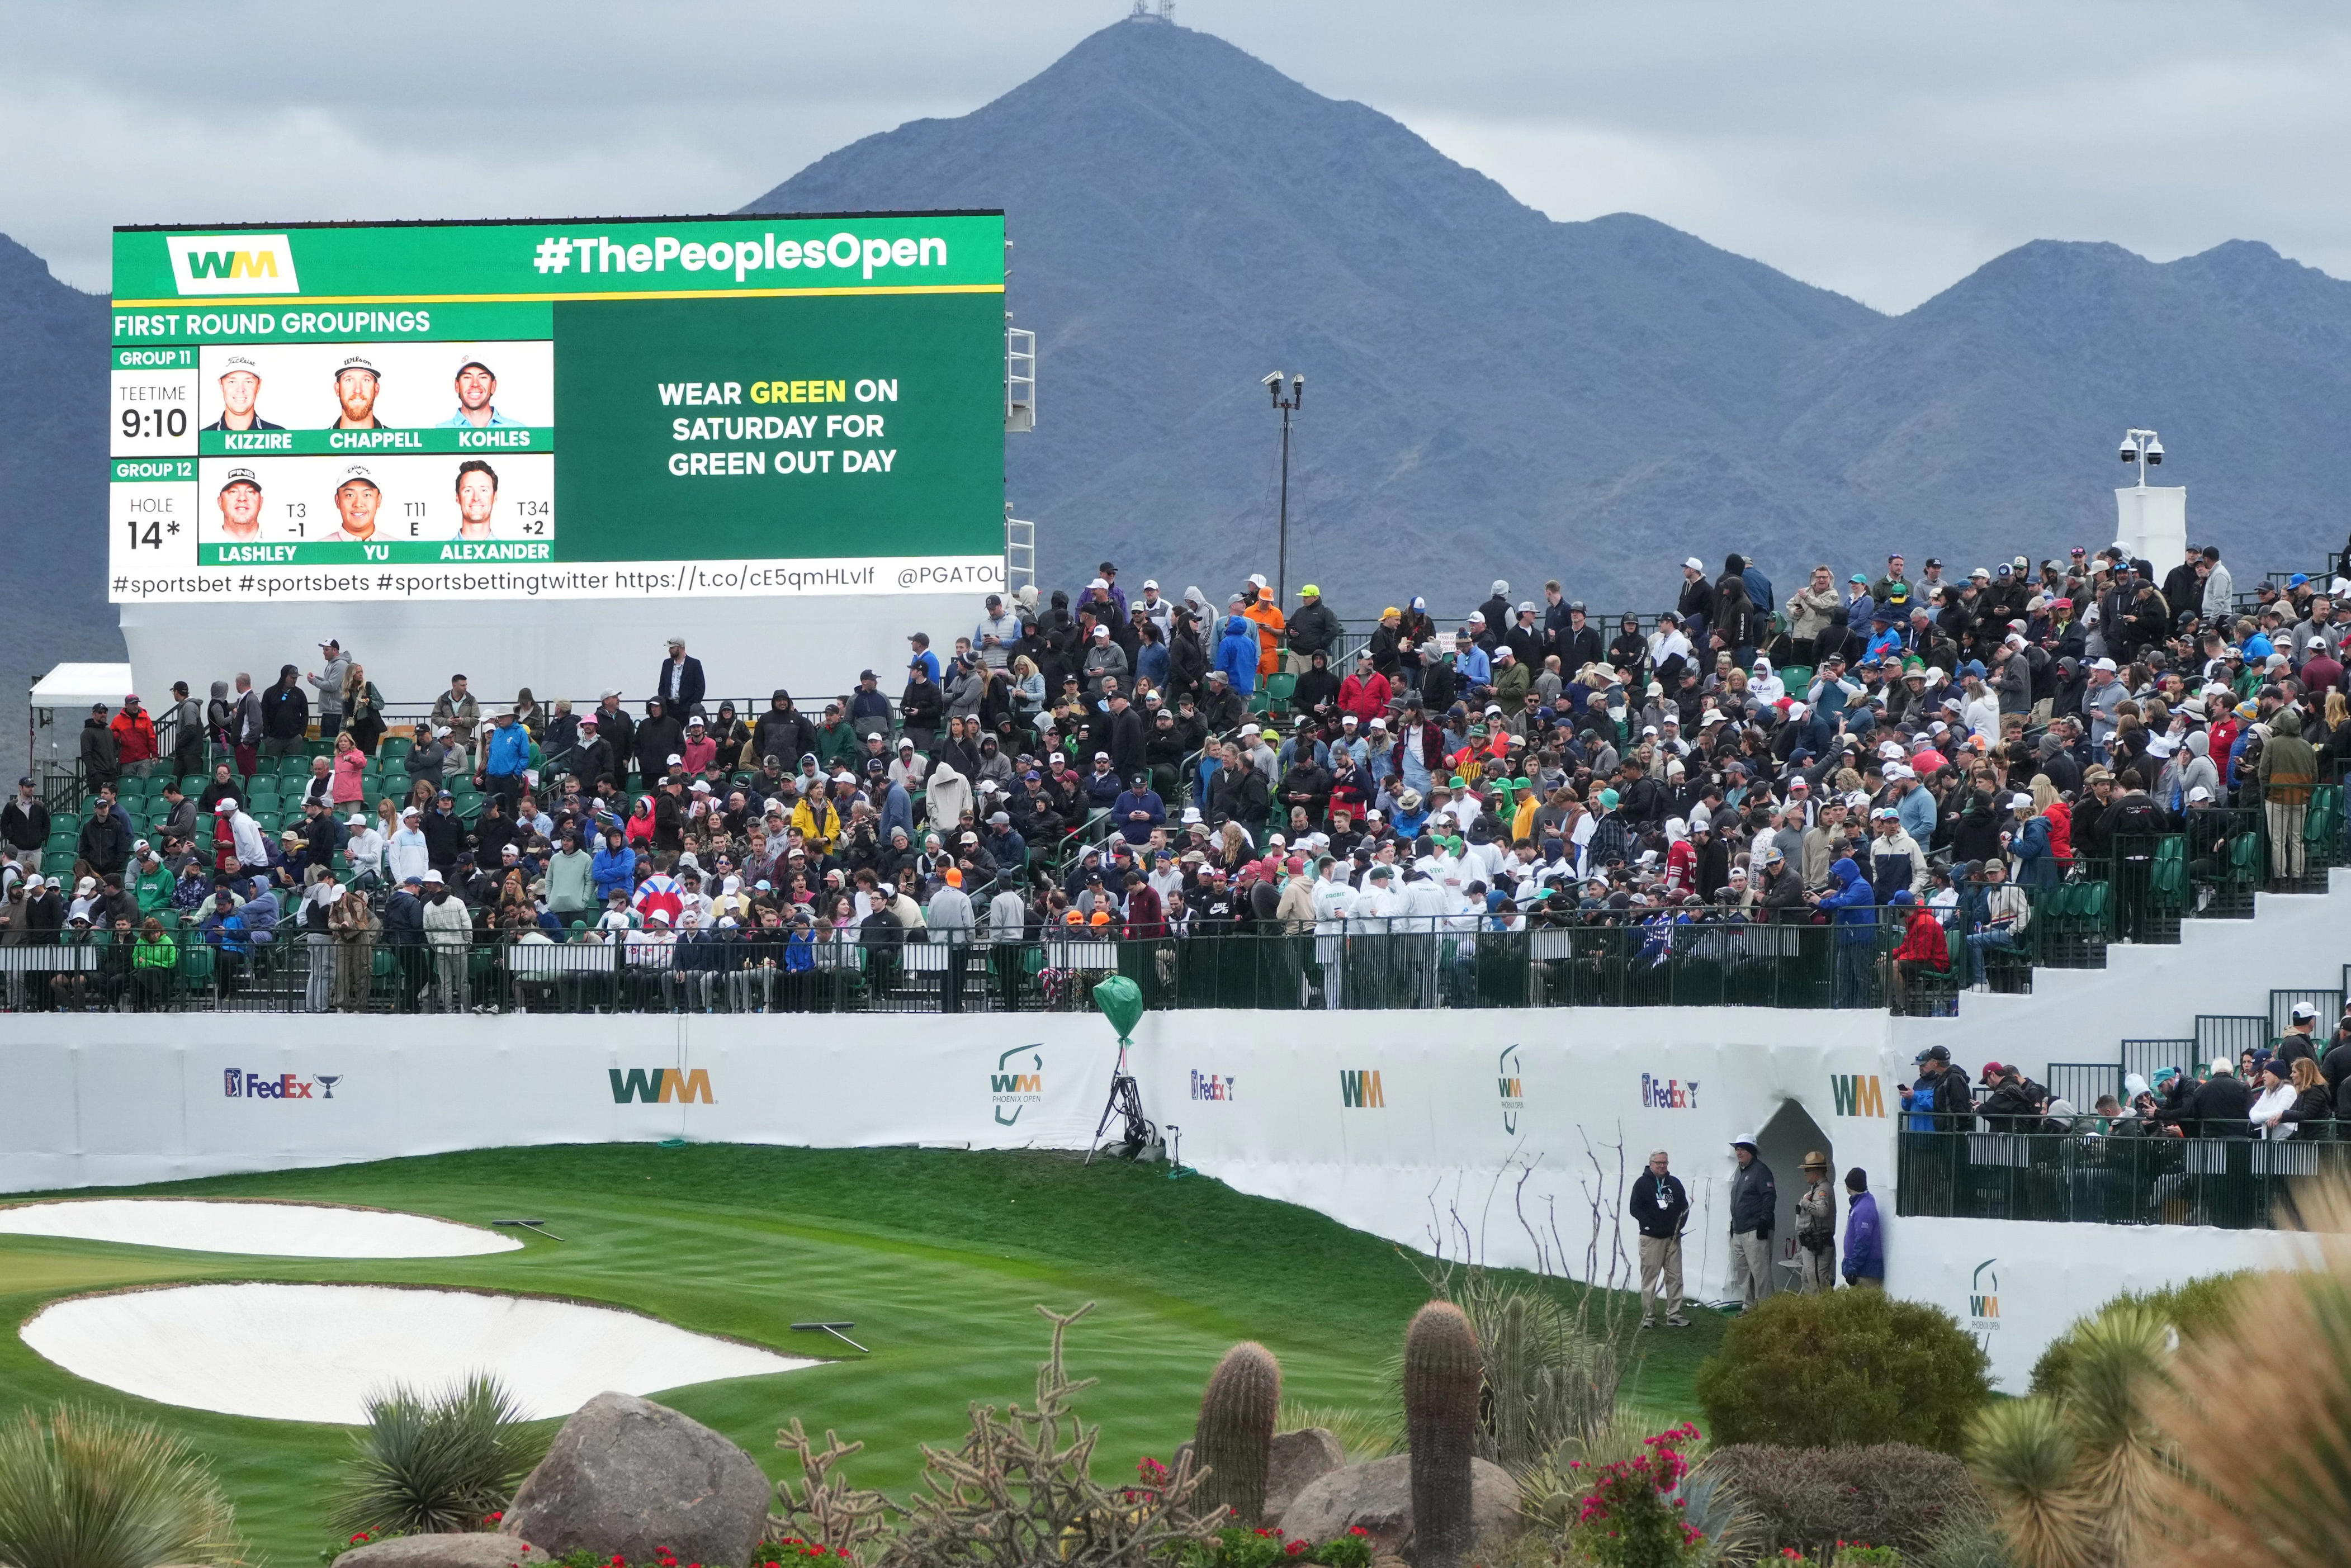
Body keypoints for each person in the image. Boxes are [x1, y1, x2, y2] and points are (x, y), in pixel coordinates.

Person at [1628, 1149, 1691, 1328]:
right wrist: (1650, 1224)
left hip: (1672, 1239)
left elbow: (1684, 1208)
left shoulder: (1675, 1184)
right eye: (1659, 1163)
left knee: (1675, 1277)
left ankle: (1674, 1314)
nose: (1663, 1166)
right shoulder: (1642, 1184)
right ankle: (1649, 1317)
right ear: (1651, 1164)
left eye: (1665, 1163)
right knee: (1650, 1278)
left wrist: (1679, 1227)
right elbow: (1635, 1209)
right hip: (1651, 1238)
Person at [1727, 1135, 1776, 1309]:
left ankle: (1767, 1309)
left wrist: (1764, 1221)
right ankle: (1749, 1307)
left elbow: (1769, 1197)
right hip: (1740, 1230)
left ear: (1752, 1152)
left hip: (1756, 1229)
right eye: (1737, 1149)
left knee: (1760, 1273)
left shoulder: (1761, 1171)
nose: (1739, 1152)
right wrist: (1734, 1225)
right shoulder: (1740, 1172)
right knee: (1743, 1272)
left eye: (1742, 1149)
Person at [1794, 1152, 1837, 1294]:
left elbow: (1822, 1211)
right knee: (1808, 1279)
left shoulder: (1823, 1189)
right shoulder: (1816, 1188)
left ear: (1816, 1172)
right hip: (1812, 1243)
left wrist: (1806, 1203)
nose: (1805, 1173)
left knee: (1818, 1282)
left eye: (1807, 1170)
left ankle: (1821, 1313)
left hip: (1819, 1245)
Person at [203, 355, 281, 432]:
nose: (240, 390)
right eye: (232, 382)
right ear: (221, 385)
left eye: (248, 382)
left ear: (259, 385)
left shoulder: (278, 435)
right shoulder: (203, 437)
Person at [437, 357, 518, 428]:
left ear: (493, 386)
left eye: (482, 377)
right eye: (467, 377)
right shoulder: (439, 433)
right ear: (457, 386)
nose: (475, 384)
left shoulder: (518, 432)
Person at [1841, 1168, 1884, 1288]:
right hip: (1863, 1270)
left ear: (1850, 1186)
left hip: (1865, 1273)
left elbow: (1863, 1240)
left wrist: (1853, 1267)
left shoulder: (1863, 1209)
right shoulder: (1862, 1204)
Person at [656, 637, 706, 715]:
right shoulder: (667, 664)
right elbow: (662, 685)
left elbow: (700, 687)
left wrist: (693, 705)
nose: (669, 650)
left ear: (680, 648)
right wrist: (663, 701)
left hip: (687, 708)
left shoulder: (694, 664)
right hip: (669, 708)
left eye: (672, 648)